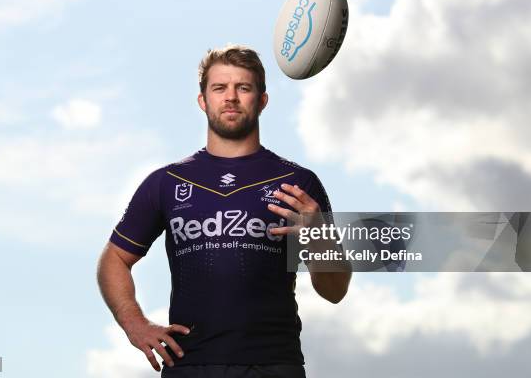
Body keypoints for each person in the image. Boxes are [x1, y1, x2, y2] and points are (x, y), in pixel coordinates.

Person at [97, 44, 352, 378]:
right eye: (220, 88)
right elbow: (113, 260)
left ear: (262, 100)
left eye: (243, 88)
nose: (231, 97)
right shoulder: (167, 182)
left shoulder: (297, 183)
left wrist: (319, 239)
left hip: (274, 364)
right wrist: (136, 325)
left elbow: (334, 292)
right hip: (190, 364)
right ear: (203, 101)